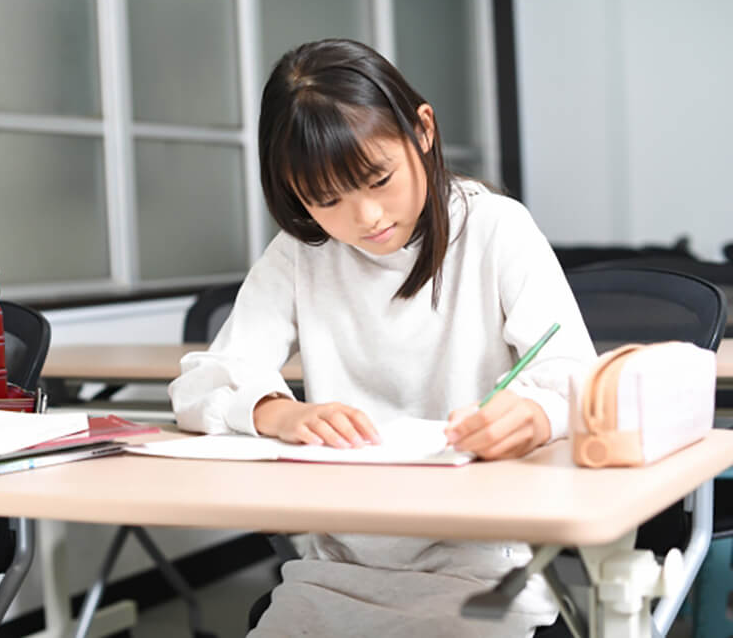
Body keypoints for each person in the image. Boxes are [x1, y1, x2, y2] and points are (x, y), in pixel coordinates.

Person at [168, 38, 596, 637]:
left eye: (377, 178)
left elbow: (575, 376)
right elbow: (202, 384)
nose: (365, 217)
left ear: (422, 130)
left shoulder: (497, 230)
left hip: (480, 563)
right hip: (339, 566)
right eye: (326, 200)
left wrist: (537, 414)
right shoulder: (302, 255)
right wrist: (274, 412)